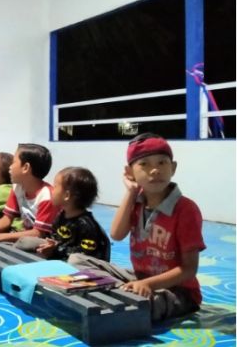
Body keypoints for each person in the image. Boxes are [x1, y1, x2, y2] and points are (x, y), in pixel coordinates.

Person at [70, 133, 205, 322]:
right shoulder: (137, 202)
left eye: (162, 163)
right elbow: (117, 234)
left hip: (179, 292)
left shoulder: (185, 209)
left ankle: (121, 295)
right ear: (129, 172)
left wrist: (147, 285)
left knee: (137, 309)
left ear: (173, 168)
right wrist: (131, 192)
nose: (155, 170)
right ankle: (123, 293)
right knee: (77, 260)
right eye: (144, 164)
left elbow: (189, 270)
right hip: (140, 278)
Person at [17, 167, 110, 262]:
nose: (52, 190)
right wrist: (50, 244)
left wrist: (57, 249)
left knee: (75, 260)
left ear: (66, 195)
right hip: (60, 254)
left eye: (55, 186)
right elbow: (54, 236)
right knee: (25, 242)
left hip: (84, 265)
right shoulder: (61, 215)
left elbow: (86, 254)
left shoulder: (87, 226)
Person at [0, 144, 60, 246]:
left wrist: (0, 237)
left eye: (14, 162)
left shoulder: (47, 196)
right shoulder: (17, 188)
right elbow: (7, 218)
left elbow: (38, 233)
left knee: (26, 242)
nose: (10, 168)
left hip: (43, 238)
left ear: (25, 168)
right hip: (23, 231)